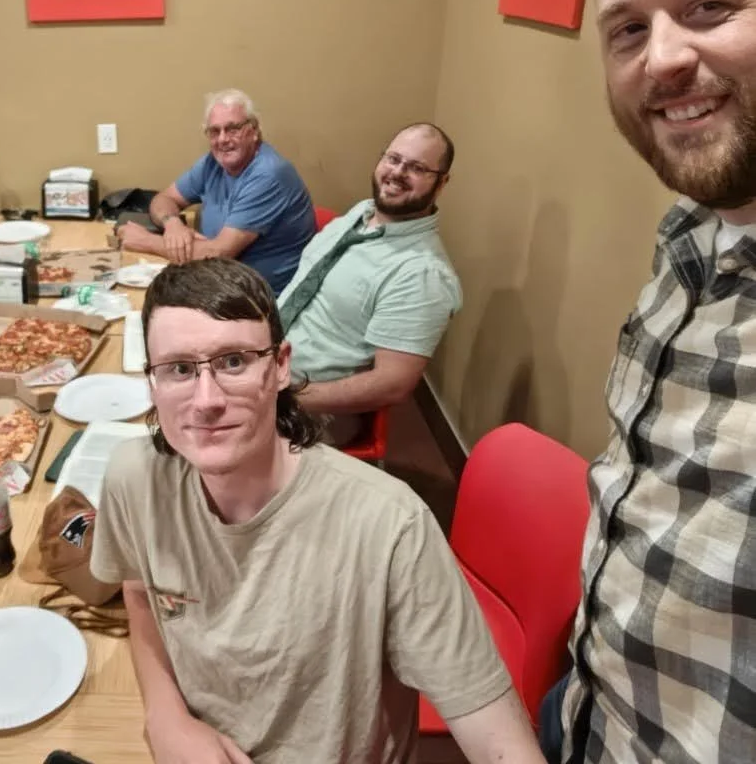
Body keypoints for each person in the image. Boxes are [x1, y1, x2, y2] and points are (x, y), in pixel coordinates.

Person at [90, 257, 545, 763]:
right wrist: (166, 716)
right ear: (151, 381)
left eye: (234, 361)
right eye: (178, 369)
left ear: (280, 365)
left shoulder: (390, 527)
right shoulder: (133, 478)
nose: (206, 400)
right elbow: (138, 590)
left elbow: (501, 744)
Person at [541, 0, 756, 764]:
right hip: (592, 709)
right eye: (627, 29)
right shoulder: (687, 238)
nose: (661, 58)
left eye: (706, 6)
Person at [277, 122, 461, 444]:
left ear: (442, 183)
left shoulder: (422, 274)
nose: (398, 172)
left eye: (417, 168)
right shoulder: (363, 213)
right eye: (393, 159)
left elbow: (392, 384)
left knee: (187, 434)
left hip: (309, 406)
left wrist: (284, 396)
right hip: (270, 360)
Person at [114, 89, 315, 294]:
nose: (222, 139)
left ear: (254, 131)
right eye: (214, 131)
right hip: (218, 281)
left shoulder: (269, 174)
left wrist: (146, 241)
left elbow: (219, 254)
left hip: (259, 301)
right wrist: (172, 224)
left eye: (233, 129)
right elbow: (163, 198)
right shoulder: (213, 162)